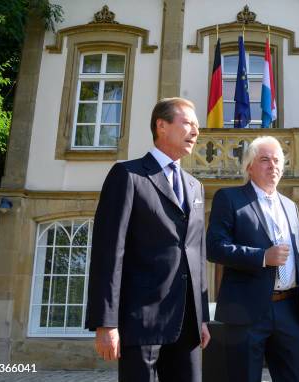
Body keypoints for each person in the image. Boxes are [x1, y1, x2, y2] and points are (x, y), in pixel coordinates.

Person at [85, 97, 210, 382]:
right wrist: (106, 323)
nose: (196, 132)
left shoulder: (195, 186)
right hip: (140, 323)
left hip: (187, 325)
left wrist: (202, 317)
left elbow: (197, 255)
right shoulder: (128, 175)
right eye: (188, 123)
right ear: (162, 126)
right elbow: (109, 253)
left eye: (197, 126)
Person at [206, 136, 299, 382]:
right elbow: (214, 248)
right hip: (245, 310)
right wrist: (262, 257)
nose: (273, 165)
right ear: (249, 167)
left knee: (294, 376)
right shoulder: (230, 198)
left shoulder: (289, 206)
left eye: (277, 160)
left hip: (288, 308)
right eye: (265, 159)